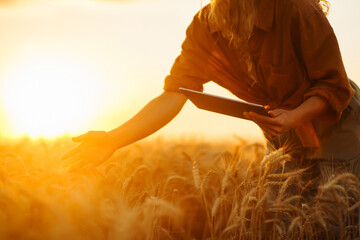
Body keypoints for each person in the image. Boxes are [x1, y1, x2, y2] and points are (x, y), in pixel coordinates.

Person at [63, 0, 360, 183]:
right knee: (281, 218)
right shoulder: (205, 25)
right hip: (279, 127)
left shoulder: (297, 10)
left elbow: (333, 86)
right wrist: (113, 139)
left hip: (337, 120)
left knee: (335, 218)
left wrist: (295, 116)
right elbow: (175, 92)